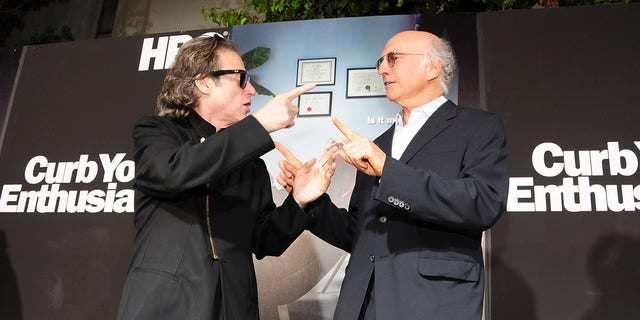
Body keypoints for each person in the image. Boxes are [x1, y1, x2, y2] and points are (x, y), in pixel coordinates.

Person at [277, 30, 509, 320]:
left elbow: (482, 204)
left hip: (433, 304)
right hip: (362, 304)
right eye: (381, 60)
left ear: (433, 67)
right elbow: (359, 234)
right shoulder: (379, 143)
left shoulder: (478, 127)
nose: (381, 68)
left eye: (393, 58)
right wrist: (310, 200)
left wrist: (388, 171)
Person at [117, 32, 337, 320]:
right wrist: (258, 126)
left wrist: (299, 201)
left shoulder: (251, 162)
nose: (253, 91)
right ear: (204, 81)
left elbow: (265, 240)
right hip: (167, 305)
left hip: (233, 306)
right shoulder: (159, 132)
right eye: (241, 78)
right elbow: (173, 171)